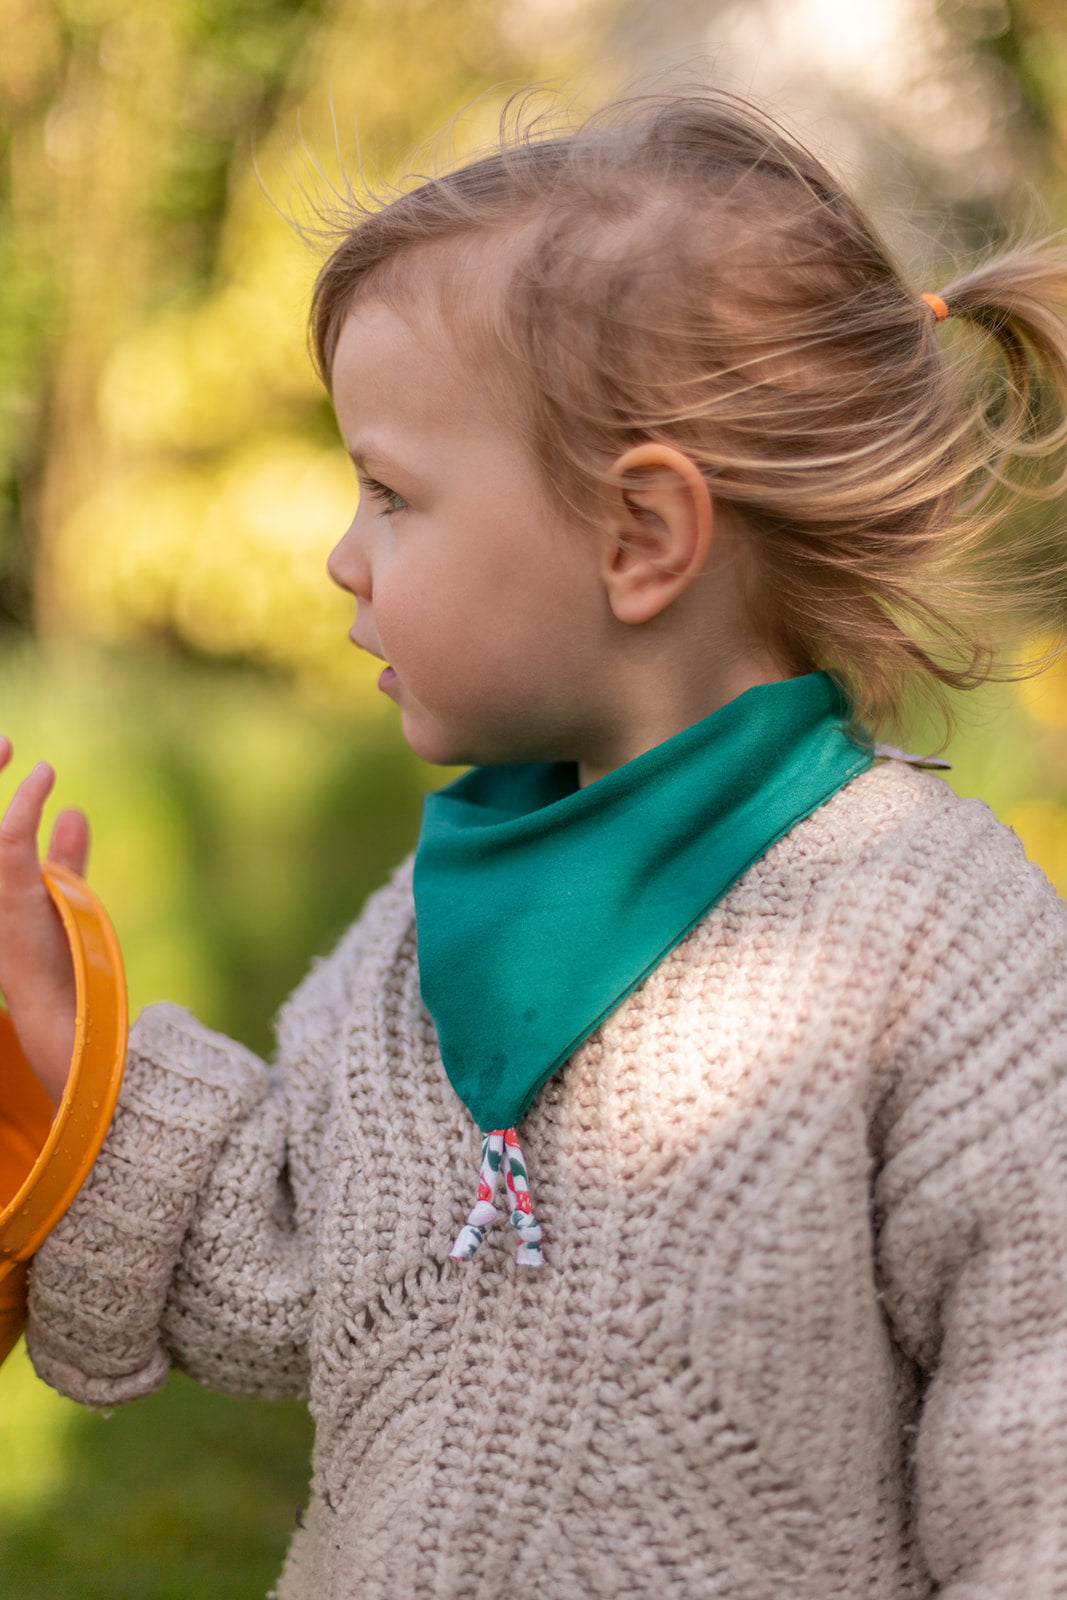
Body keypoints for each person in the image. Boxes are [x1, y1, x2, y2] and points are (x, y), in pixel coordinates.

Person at [2, 89, 1067, 1600]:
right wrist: (62, 1037)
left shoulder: (933, 946)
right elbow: (297, 1275)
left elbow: (1043, 1461)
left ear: (641, 538)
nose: (339, 551)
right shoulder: (427, 932)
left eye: (391, 490)